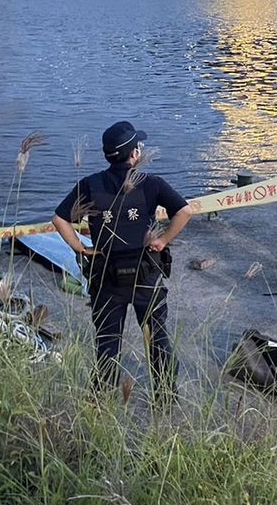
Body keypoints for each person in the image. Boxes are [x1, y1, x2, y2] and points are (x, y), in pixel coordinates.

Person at [52, 121, 192, 398]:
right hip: (146, 275)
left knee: (107, 342)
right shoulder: (151, 184)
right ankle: (165, 396)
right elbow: (185, 211)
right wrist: (162, 240)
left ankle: (102, 398)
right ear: (135, 154)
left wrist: (80, 247)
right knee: (157, 339)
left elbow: (59, 219)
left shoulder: (90, 185)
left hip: (106, 278)